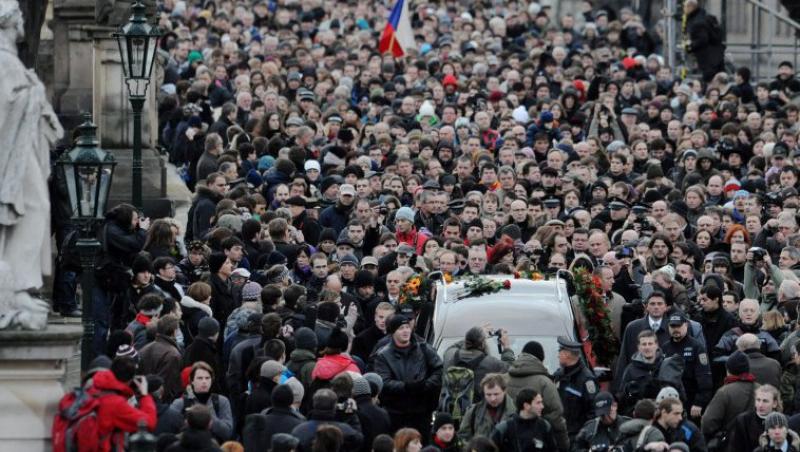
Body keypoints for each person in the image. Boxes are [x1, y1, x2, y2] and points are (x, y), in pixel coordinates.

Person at [373, 314, 443, 437]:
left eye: (407, 327)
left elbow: (439, 369)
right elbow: (383, 381)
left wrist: (426, 385)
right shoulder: (383, 355)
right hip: (396, 412)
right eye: (401, 328)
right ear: (393, 332)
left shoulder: (424, 348)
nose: (405, 331)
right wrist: (406, 387)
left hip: (422, 410)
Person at [504, 340, 568, 448]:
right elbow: (556, 416)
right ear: (541, 359)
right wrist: (564, 445)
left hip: (509, 440)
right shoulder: (544, 382)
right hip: (537, 441)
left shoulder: (504, 378)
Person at [88, 356, 157, 452]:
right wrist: (145, 395)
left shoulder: (92, 388)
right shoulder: (115, 403)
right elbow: (148, 423)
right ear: (130, 380)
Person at [659, 311, 712, 418]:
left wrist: (699, 402)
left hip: (690, 401)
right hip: (669, 400)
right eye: (673, 326)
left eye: (679, 326)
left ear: (686, 325)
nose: (675, 329)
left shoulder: (696, 347)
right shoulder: (664, 348)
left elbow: (704, 377)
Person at [442, 326, 515, 400]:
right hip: (474, 410)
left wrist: (474, 335)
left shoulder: (450, 354)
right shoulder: (491, 363)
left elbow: (452, 346)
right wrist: (506, 347)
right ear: (483, 344)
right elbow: (510, 368)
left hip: (447, 408)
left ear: (466, 340)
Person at [171, 361, 234, 443]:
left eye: (207, 378)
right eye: (200, 378)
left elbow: (227, 432)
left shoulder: (221, 401)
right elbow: (170, 429)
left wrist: (206, 416)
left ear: (212, 380)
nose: (204, 381)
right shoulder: (180, 403)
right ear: (192, 381)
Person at [291, 389, 364, 452]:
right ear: (335, 406)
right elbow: (358, 440)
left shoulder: (299, 431)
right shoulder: (346, 431)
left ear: (314, 404)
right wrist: (352, 416)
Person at [553, 336, 598, 439]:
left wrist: (583, 436)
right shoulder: (559, 375)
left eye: (560, 352)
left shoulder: (586, 380)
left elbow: (593, 412)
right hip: (559, 435)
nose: (558, 355)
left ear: (567, 354)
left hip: (576, 437)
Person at [490, 388, 558, 452]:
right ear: (526, 406)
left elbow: (553, 449)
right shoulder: (505, 427)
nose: (542, 406)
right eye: (538, 403)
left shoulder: (544, 426)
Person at [139, 314, 184, 401]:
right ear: (174, 332)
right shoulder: (173, 355)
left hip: (144, 399)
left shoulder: (144, 348)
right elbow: (167, 385)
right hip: (161, 403)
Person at [459, 373, 517, 441]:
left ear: (504, 391)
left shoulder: (516, 412)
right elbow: (463, 438)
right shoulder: (473, 411)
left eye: (496, 394)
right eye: (488, 394)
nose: (493, 398)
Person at [728, 385, 782, 452]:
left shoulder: (783, 422)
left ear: (774, 403)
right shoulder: (743, 420)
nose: (760, 405)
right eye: (758, 400)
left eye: (765, 401)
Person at [683, 0, 726, 82]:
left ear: (690, 7)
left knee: (710, 82)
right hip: (717, 55)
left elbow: (702, 40)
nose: (683, 9)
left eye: (685, 7)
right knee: (720, 80)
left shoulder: (697, 22)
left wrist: (689, 46)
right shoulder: (702, 15)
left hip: (708, 60)